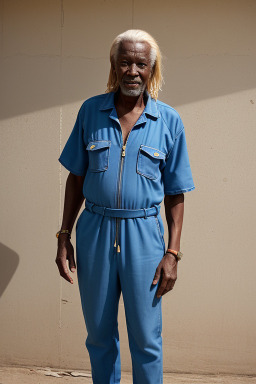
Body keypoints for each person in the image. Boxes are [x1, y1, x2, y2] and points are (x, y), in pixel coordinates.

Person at [55, 29, 195, 384]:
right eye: (125, 62)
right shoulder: (90, 112)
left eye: (141, 64)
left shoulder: (169, 121)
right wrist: (63, 236)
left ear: (152, 69)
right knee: (99, 337)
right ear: (114, 67)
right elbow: (76, 178)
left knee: (146, 339)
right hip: (95, 232)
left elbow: (176, 193)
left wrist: (172, 254)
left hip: (145, 236)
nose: (133, 70)